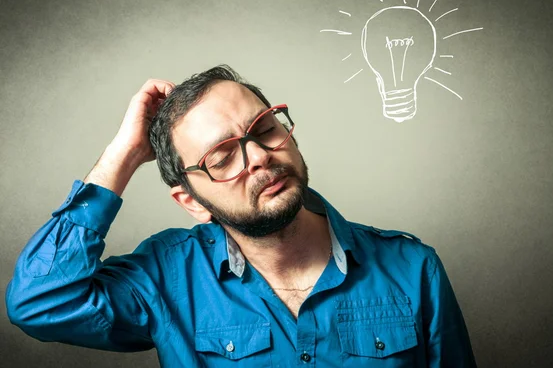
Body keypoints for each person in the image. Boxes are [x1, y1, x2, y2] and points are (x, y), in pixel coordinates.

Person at [6, 65, 477, 367]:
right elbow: (40, 301)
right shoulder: (167, 278)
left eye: (264, 129)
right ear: (191, 202)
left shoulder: (412, 268)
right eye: (222, 157)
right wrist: (123, 154)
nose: (257, 157)